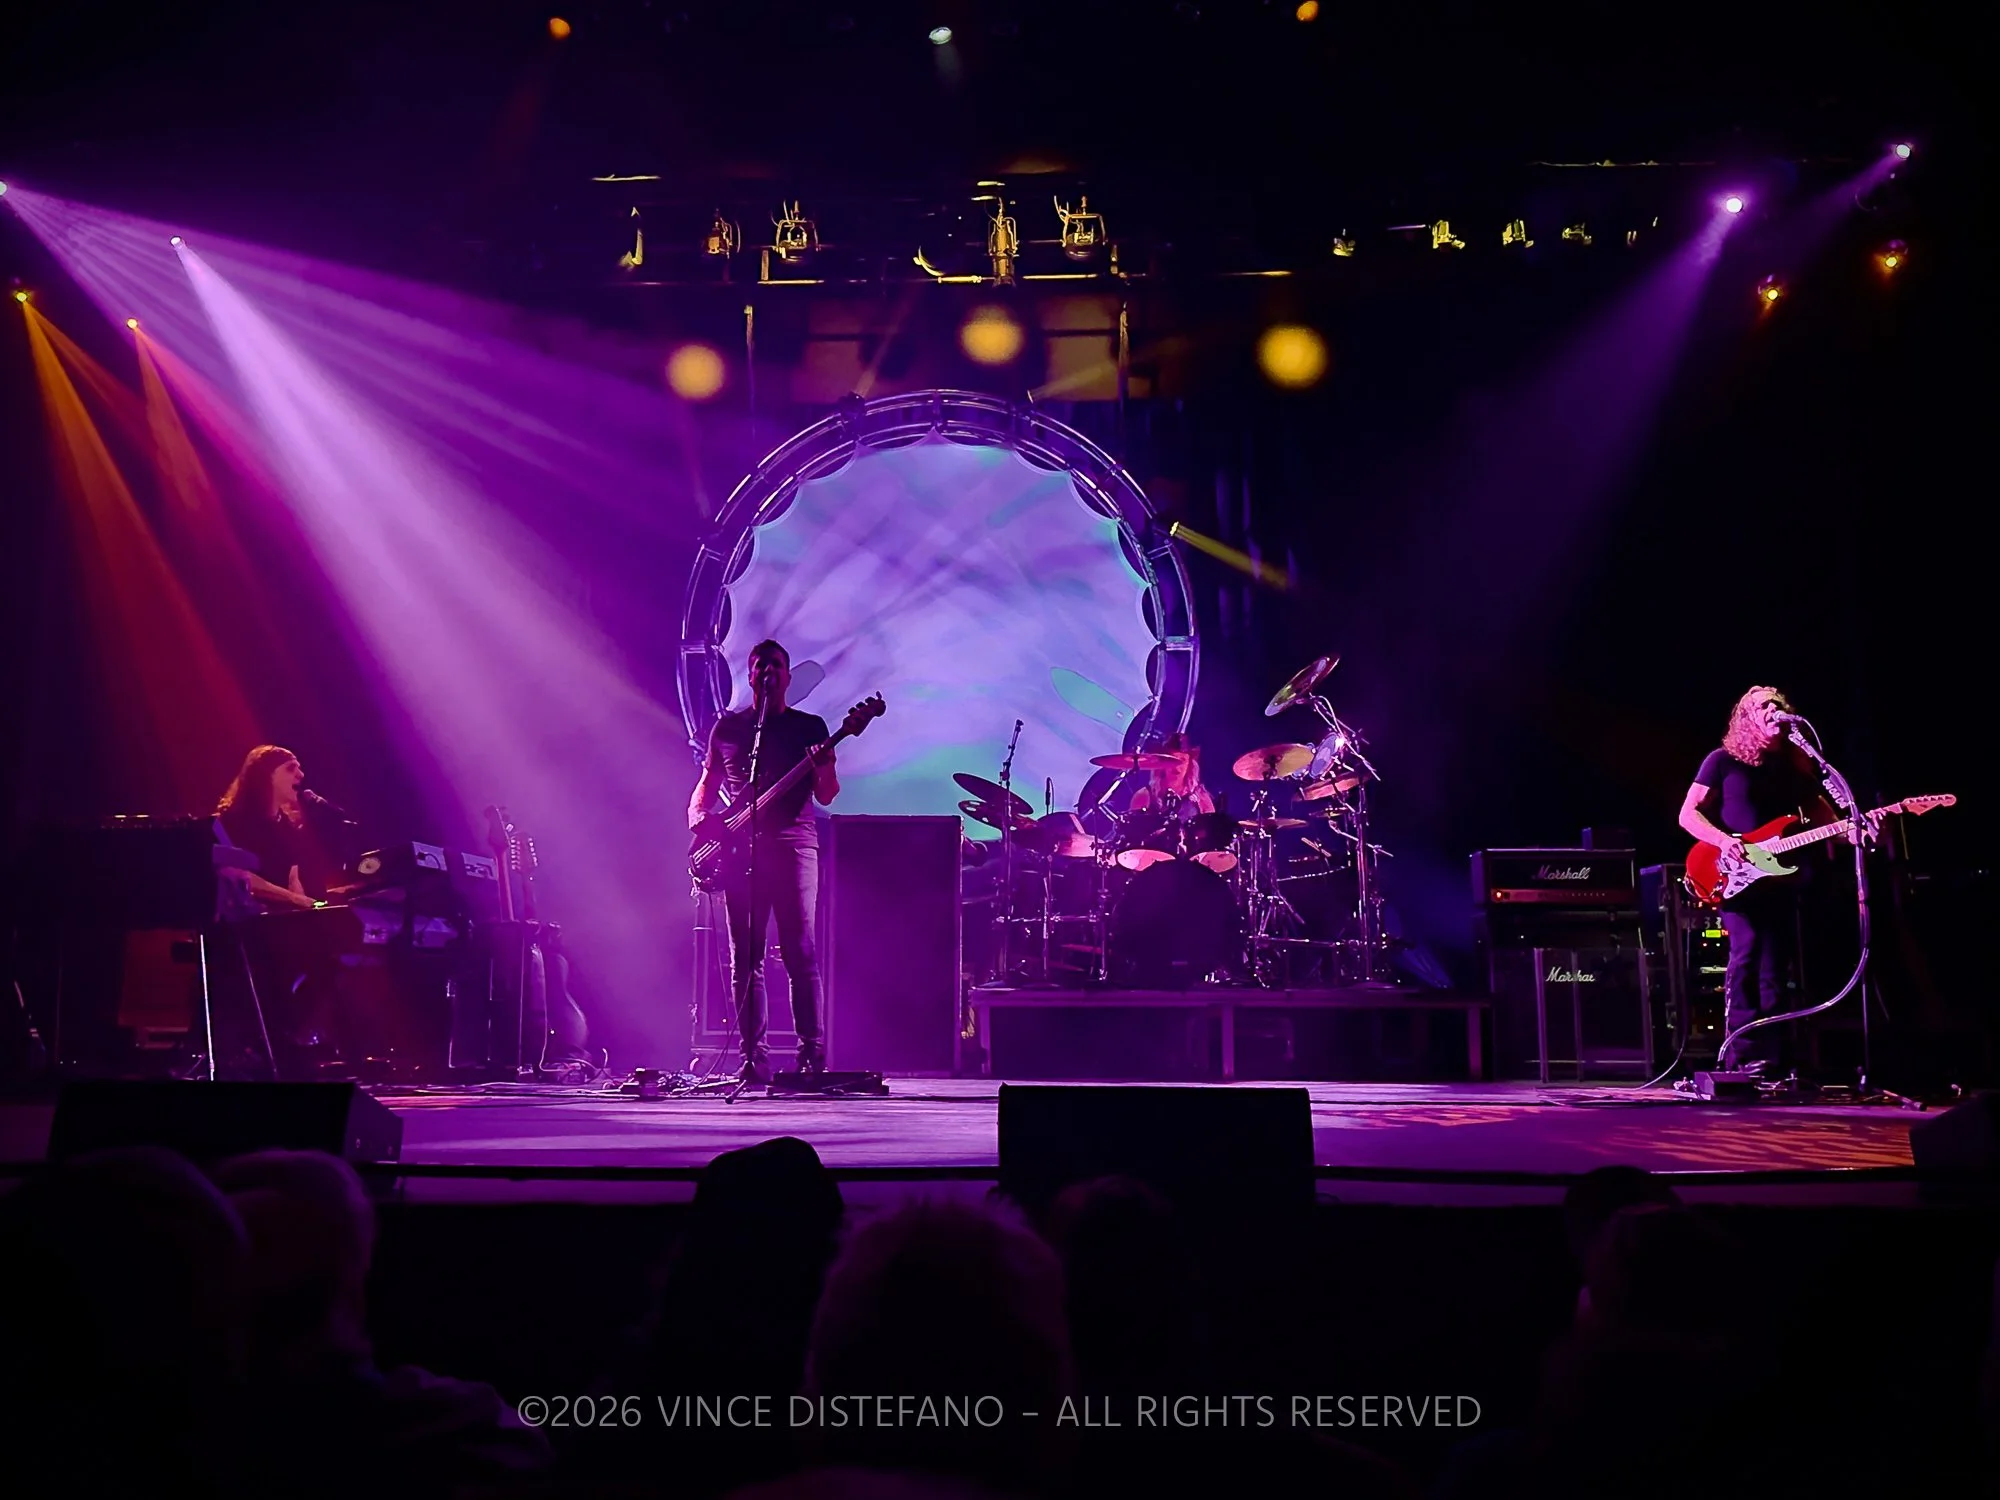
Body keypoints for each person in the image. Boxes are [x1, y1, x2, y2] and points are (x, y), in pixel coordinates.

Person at [1677, 687, 1874, 1074]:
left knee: (1776, 968)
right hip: (1734, 875)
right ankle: (1740, 1055)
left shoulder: (1796, 770)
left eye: (1777, 705)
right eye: (1763, 706)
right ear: (1746, 718)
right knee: (1747, 954)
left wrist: (1859, 831)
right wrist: (1724, 841)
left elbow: (1832, 826)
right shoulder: (1723, 762)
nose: (1772, 710)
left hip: (1781, 880)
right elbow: (1688, 814)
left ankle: (1773, 1059)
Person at [689, 640, 839, 1082]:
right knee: (746, 958)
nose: (768, 672)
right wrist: (698, 815)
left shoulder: (810, 727)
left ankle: (811, 1055)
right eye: (760, 666)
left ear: (787, 676)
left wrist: (822, 766)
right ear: (751, 676)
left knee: (800, 953)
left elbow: (828, 794)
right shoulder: (729, 730)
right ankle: (752, 1059)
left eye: (776, 665)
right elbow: (707, 783)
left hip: (793, 848)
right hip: (741, 854)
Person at [1125, 731, 1215, 816]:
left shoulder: (1201, 798)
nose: (1177, 767)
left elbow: (1210, 826)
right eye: (1172, 760)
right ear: (1162, 763)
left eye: (1182, 760)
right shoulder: (1143, 797)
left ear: (1190, 764)